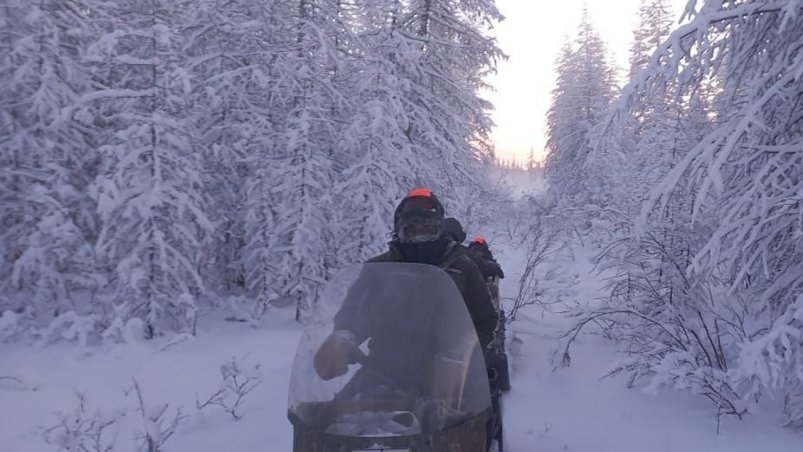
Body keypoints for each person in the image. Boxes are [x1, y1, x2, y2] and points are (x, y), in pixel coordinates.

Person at [313, 188, 499, 381]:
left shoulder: (462, 267)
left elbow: (485, 320)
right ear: (399, 227)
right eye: (412, 225)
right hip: (381, 369)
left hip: (448, 376)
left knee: (473, 410)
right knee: (339, 408)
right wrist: (344, 339)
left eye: (426, 224)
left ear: (438, 226)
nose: (419, 231)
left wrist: (461, 354)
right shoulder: (379, 269)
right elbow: (354, 312)